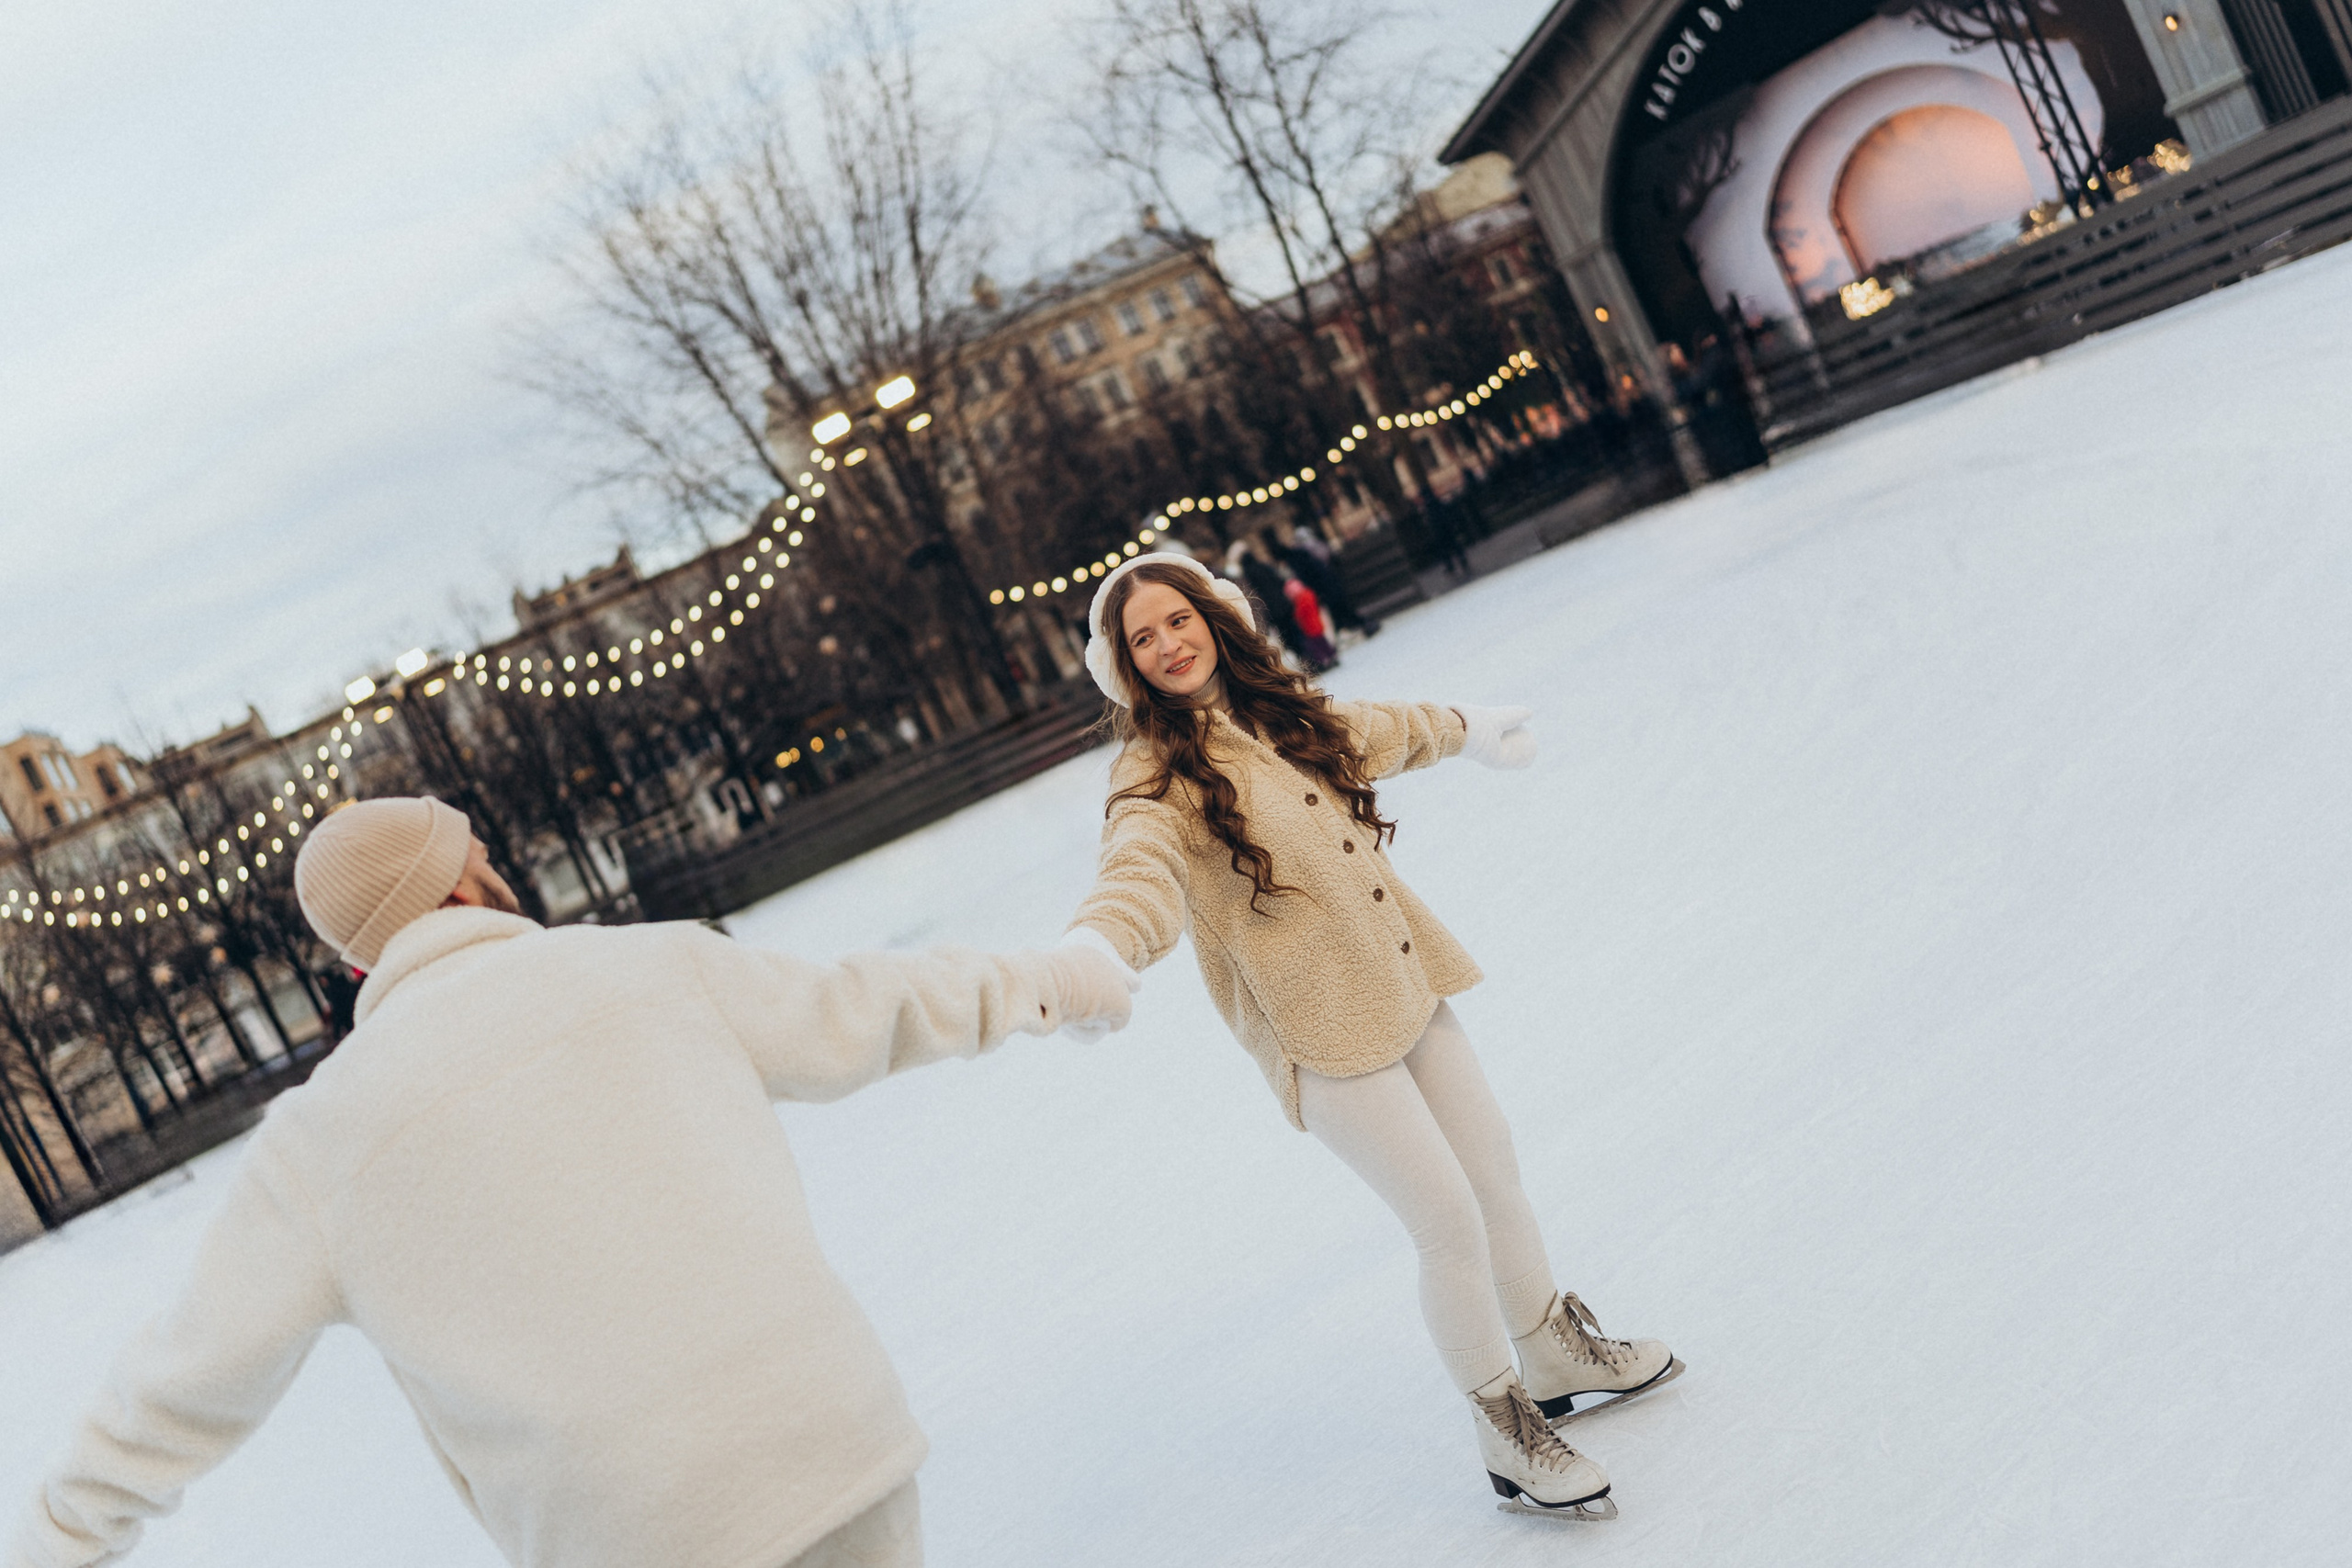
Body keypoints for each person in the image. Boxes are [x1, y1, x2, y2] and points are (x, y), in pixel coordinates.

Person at [12, 796, 1139, 1568]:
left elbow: (188, 1375)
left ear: (359, 960)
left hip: (627, 1531)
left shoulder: (319, 1142)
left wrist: (60, 1537)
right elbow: (883, 1001)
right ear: (464, 881)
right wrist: (1063, 981)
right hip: (829, 1444)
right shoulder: (651, 965)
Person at [1059, 555, 1679, 1522]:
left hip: (1401, 971)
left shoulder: (1280, 711)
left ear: (1213, 619)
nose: (1168, 645)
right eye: (1143, 638)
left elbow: (1381, 730)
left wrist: (1467, 729)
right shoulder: (1151, 774)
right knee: (1446, 1222)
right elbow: (1135, 869)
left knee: (1494, 1174)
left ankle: (1552, 1345)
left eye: (1177, 620)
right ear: (1124, 667)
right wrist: (1098, 944)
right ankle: (1504, 1430)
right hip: (1319, 1028)